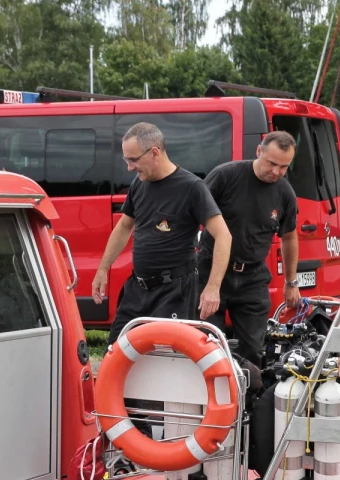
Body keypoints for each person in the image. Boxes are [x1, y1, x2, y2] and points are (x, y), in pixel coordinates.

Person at [92, 122, 232, 345]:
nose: (129, 167)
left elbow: (224, 235)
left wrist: (213, 288)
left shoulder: (192, 187)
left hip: (174, 291)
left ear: (155, 152)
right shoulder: (139, 184)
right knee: (116, 350)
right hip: (138, 288)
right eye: (126, 160)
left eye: (134, 160)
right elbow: (124, 227)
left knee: (164, 358)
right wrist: (102, 269)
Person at [199, 130, 301, 364]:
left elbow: (289, 237)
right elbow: (190, 214)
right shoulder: (226, 176)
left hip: (253, 277)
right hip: (212, 272)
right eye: (272, 163)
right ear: (259, 151)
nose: (276, 172)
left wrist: (291, 282)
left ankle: (249, 398)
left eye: (284, 167)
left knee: (254, 350)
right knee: (208, 345)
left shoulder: (285, 192)